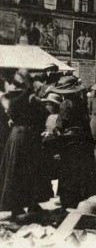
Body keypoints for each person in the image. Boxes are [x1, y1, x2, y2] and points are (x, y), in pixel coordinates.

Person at [0, 70, 52, 220]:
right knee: (33, 171)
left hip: (16, 136)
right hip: (29, 137)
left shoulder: (12, 99)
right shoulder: (32, 99)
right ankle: (32, 203)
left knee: (15, 171)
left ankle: (16, 206)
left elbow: (11, 116)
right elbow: (43, 115)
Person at [50, 75, 96, 208]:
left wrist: (56, 135)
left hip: (70, 143)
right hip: (83, 142)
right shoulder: (81, 102)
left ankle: (69, 203)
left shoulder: (66, 103)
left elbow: (60, 125)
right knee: (82, 174)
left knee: (69, 174)